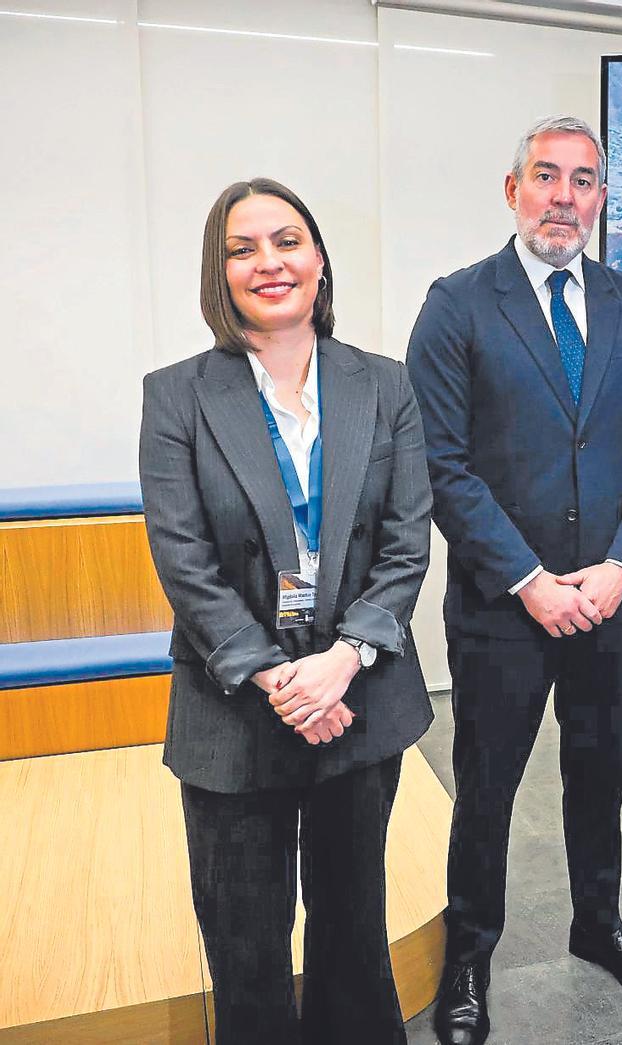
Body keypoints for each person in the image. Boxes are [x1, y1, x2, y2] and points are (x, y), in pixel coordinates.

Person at [407, 115, 622, 1045]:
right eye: (547, 176)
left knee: (600, 776)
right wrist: (529, 579)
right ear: (513, 190)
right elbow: (442, 463)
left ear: (601, 199)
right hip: (503, 609)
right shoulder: (457, 304)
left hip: (609, 602)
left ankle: (597, 924)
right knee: (486, 792)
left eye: (583, 180)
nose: (564, 196)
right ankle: (469, 957)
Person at [139, 177, 433, 1044]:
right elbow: (184, 560)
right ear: (220, 273)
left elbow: (407, 542)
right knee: (246, 947)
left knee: (353, 930)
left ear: (319, 261)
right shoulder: (177, 395)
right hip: (234, 705)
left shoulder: (384, 384)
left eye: (287, 240)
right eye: (242, 249)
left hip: (359, 696)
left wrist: (342, 660)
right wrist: (281, 680)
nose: (268, 262)